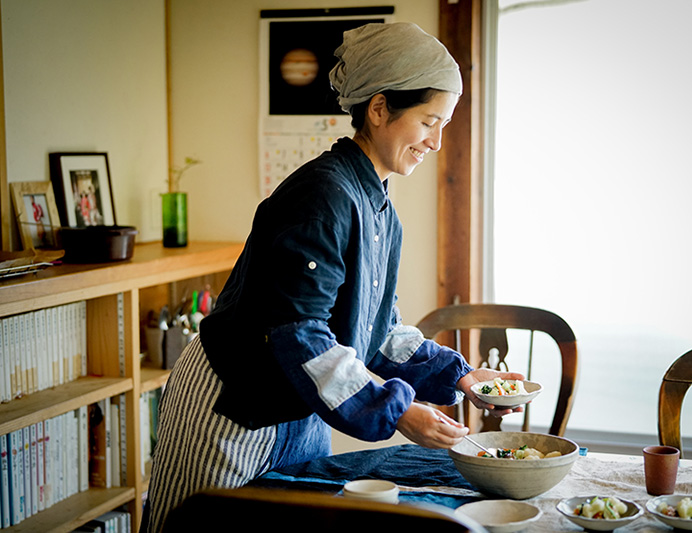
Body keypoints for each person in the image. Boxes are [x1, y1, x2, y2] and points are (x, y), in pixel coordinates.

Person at [143, 22, 524, 532]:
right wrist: (397, 411)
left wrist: (460, 376)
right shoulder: (323, 195)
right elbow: (299, 333)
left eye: (444, 125)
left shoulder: (379, 204)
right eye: (430, 121)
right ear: (381, 108)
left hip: (299, 404)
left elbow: (379, 329)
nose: (436, 141)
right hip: (235, 402)